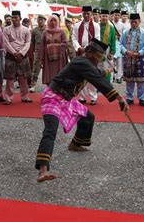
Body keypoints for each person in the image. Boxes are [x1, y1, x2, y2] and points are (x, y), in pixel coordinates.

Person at [35, 38, 127, 183]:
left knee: (88, 116)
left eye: (101, 57)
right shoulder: (82, 62)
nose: (99, 59)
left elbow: (96, 72)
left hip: (66, 99)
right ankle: (42, 171)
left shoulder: (87, 63)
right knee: (50, 132)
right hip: (53, 97)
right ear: (89, 53)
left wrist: (106, 71)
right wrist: (119, 97)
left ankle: (75, 144)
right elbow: (95, 76)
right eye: (97, 56)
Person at [72, 6, 101, 104]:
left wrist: (87, 49)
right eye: (84, 13)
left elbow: (96, 39)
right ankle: (82, 97)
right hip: (80, 52)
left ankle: (93, 97)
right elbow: (74, 38)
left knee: (92, 75)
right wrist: (79, 47)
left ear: (91, 14)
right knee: (81, 74)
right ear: (82, 14)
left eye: (88, 13)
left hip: (91, 53)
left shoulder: (96, 25)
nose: (86, 15)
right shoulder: (77, 25)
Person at [3, 10, 32, 104]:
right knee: (10, 79)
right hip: (11, 56)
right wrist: (14, 53)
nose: (14, 19)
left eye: (16, 17)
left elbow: (28, 43)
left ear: (20, 18)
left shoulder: (26, 30)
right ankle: (8, 97)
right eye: (13, 17)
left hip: (23, 56)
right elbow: (6, 43)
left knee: (23, 78)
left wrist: (22, 53)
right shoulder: (6, 29)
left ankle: (25, 96)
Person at [120, 13, 144, 106]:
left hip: (140, 58)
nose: (133, 24)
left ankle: (142, 98)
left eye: (135, 22)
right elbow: (121, 44)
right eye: (132, 22)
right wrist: (125, 51)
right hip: (128, 58)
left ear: (139, 22)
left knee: (141, 80)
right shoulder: (125, 32)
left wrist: (139, 53)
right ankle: (129, 98)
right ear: (130, 22)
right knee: (129, 80)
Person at [39, 15, 69, 86]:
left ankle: (59, 92)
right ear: (49, 22)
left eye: (55, 20)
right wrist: (41, 59)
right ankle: (50, 92)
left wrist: (53, 47)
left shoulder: (61, 32)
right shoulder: (45, 32)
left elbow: (65, 43)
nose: (53, 22)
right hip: (48, 58)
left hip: (60, 58)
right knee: (50, 77)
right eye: (51, 20)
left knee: (59, 75)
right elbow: (42, 46)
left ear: (58, 21)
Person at [29, 15, 46, 92]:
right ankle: (33, 85)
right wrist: (32, 53)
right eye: (39, 20)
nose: (40, 21)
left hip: (47, 52)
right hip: (37, 51)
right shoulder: (34, 31)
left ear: (45, 21)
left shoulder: (48, 30)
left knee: (48, 69)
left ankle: (49, 86)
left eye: (42, 20)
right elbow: (32, 42)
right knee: (36, 69)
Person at [99, 9, 116, 82]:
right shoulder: (97, 26)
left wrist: (112, 52)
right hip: (97, 50)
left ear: (108, 17)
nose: (104, 18)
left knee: (107, 68)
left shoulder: (111, 28)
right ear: (100, 16)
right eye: (103, 16)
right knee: (98, 67)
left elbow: (113, 41)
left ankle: (107, 84)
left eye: (106, 16)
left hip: (107, 50)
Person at [111, 9, 125, 83]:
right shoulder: (110, 24)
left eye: (118, 15)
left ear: (120, 16)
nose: (116, 16)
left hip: (119, 45)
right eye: (115, 15)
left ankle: (119, 77)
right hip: (112, 45)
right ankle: (112, 76)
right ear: (113, 15)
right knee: (111, 61)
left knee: (119, 61)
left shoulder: (122, 25)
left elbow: (124, 36)